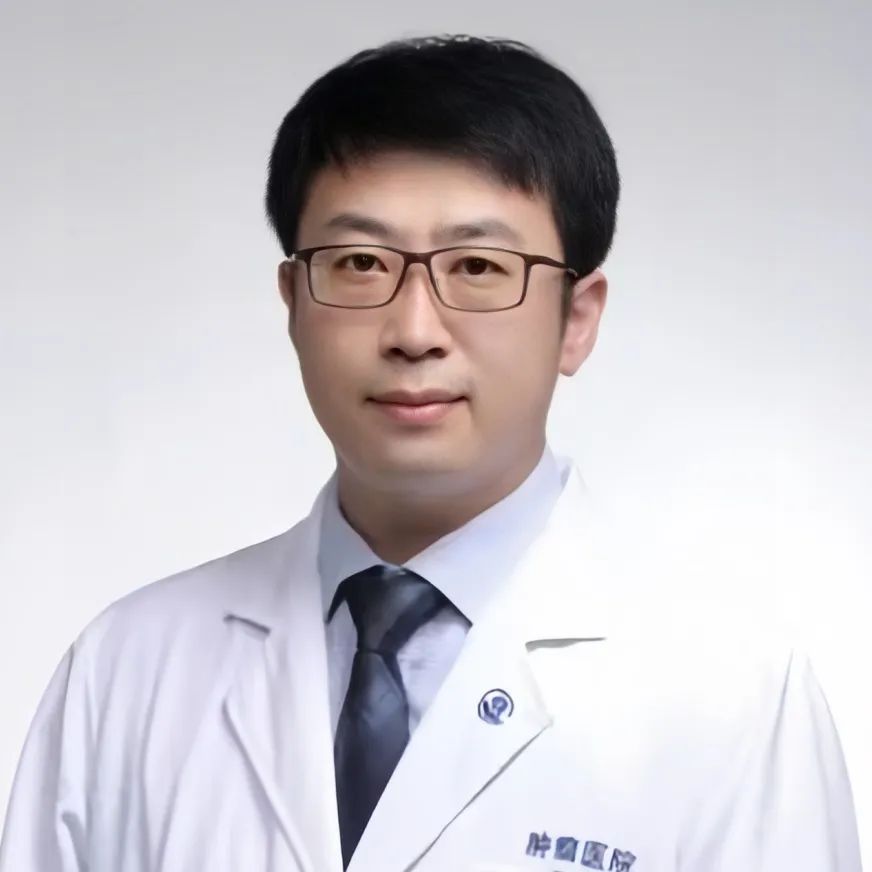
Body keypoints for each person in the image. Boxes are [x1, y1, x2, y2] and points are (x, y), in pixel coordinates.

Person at [0, 33, 863, 872]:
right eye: (360, 263)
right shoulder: (128, 667)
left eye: (479, 268)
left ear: (577, 319)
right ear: (292, 300)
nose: (414, 331)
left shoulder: (731, 688)